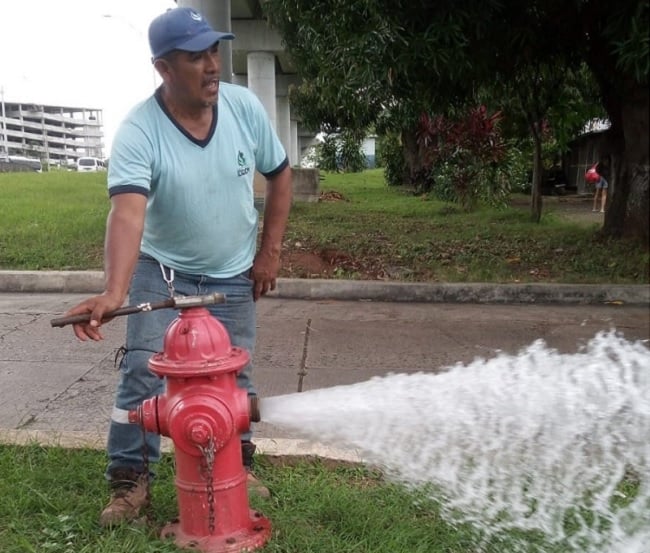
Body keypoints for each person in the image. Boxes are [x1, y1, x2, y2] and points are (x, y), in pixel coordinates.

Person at [63, 7, 292, 526]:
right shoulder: (140, 130)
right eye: (196, 57)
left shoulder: (243, 107)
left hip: (233, 271)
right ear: (164, 68)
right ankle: (130, 481)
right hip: (161, 268)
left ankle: (239, 463)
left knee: (234, 374)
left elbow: (280, 176)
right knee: (143, 372)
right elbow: (127, 214)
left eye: (214, 51)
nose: (212, 65)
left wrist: (268, 253)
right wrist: (114, 292)